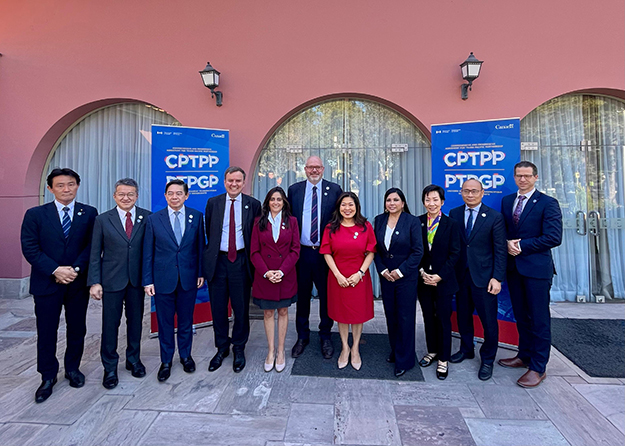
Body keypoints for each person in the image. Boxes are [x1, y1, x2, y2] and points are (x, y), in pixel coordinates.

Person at [20, 168, 98, 403]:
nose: (67, 189)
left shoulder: (89, 213)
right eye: (61, 185)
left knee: (77, 328)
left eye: (71, 184)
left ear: (77, 186)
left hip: (77, 282)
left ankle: (73, 369)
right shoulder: (35, 214)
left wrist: (74, 270)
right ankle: (47, 376)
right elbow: (30, 248)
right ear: (50, 188)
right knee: (46, 331)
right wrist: (55, 270)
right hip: (47, 282)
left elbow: (92, 247)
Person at [499, 161, 562, 388]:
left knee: (539, 319)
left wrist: (522, 245)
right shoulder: (507, 201)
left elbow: (554, 237)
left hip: (537, 270)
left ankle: (538, 367)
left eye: (527, 176)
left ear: (535, 177)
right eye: (519, 176)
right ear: (514, 177)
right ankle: (524, 355)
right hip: (514, 269)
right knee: (521, 315)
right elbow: (504, 230)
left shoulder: (548, 203)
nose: (522, 179)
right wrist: (507, 244)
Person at [87, 178, 151, 389]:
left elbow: (149, 252)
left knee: (135, 323)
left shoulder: (146, 217)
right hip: (111, 281)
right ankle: (110, 367)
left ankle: (133, 360)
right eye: (122, 194)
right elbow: (95, 253)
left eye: (130, 194)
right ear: (114, 196)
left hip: (136, 281)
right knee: (110, 325)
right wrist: (94, 281)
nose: (126, 198)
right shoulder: (103, 220)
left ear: (137, 196)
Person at [143, 179, 205, 382]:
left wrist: (200, 273)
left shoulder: (196, 217)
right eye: (171, 193)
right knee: (165, 323)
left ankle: (186, 356)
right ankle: (166, 361)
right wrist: (148, 280)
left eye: (179, 193)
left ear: (186, 196)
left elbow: (199, 249)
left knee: (186, 321)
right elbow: (148, 253)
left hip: (188, 279)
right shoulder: (154, 219)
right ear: (165, 195)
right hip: (163, 280)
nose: (175, 196)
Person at [203, 166, 261, 373]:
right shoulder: (213, 203)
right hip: (218, 262)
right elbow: (209, 229)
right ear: (224, 181)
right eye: (230, 180)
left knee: (241, 307)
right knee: (218, 309)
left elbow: (256, 234)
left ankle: (239, 347)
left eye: (238, 181)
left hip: (241, 262)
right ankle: (221, 347)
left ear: (243, 183)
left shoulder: (253, 205)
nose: (234, 184)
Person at [449, 178, 507, 381]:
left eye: (474, 191)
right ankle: (466, 349)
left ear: (483, 193)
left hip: (485, 279)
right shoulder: (455, 213)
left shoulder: (494, 217)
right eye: (466, 191)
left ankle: (488, 359)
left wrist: (497, 278)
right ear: (461, 192)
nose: (470, 195)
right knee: (463, 316)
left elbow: (500, 251)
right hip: (461, 277)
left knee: (489, 321)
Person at [287, 156, 342, 359]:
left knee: (326, 296)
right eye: (310, 167)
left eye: (317, 167)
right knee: (302, 296)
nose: (314, 170)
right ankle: (302, 336)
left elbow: (339, 219)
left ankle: (325, 335)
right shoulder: (294, 190)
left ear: (323, 168)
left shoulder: (335, 189)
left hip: (324, 254)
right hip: (301, 253)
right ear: (305, 169)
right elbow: (289, 220)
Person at [320, 192, 376, 370]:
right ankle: (345, 347)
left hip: (359, 278)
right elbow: (327, 252)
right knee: (342, 315)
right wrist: (337, 275)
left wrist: (360, 273)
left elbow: (371, 251)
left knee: (357, 315)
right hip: (338, 277)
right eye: (343, 205)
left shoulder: (365, 226)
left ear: (356, 206)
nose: (347, 208)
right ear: (338, 207)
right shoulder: (331, 227)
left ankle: (356, 348)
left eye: (350, 204)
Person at [373, 188, 423, 377]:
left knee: (405, 317)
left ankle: (405, 360)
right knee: (391, 315)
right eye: (388, 200)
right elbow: (375, 249)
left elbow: (418, 251)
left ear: (403, 203)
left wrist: (400, 271)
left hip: (405, 278)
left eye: (396, 200)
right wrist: (383, 270)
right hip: (386, 277)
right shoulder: (379, 220)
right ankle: (396, 351)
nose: (391, 203)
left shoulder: (412, 221)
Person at [250, 187, 300, 372]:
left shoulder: (292, 221)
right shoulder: (258, 222)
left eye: (279, 199)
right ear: (267, 202)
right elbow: (254, 252)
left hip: (285, 276)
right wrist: (267, 272)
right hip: (265, 276)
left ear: (284, 202)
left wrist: (281, 271)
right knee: (268, 313)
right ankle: (270, 351)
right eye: (272, 199)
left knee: (284, 312)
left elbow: (295, 249)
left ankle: (281, 351)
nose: (276, 202)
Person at [416, 185, 462, 380]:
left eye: (435, 199)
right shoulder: (417, 222)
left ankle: (443, 358)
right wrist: (422, 272)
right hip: (423, 279)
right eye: (428, 200)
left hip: (443, 281)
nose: (431, 203)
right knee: (428, 316)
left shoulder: (451, 224)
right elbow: (415, 250)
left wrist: (439, 276)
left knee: (443, 319)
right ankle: (432, 350)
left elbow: (455, 253)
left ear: (442, 202)